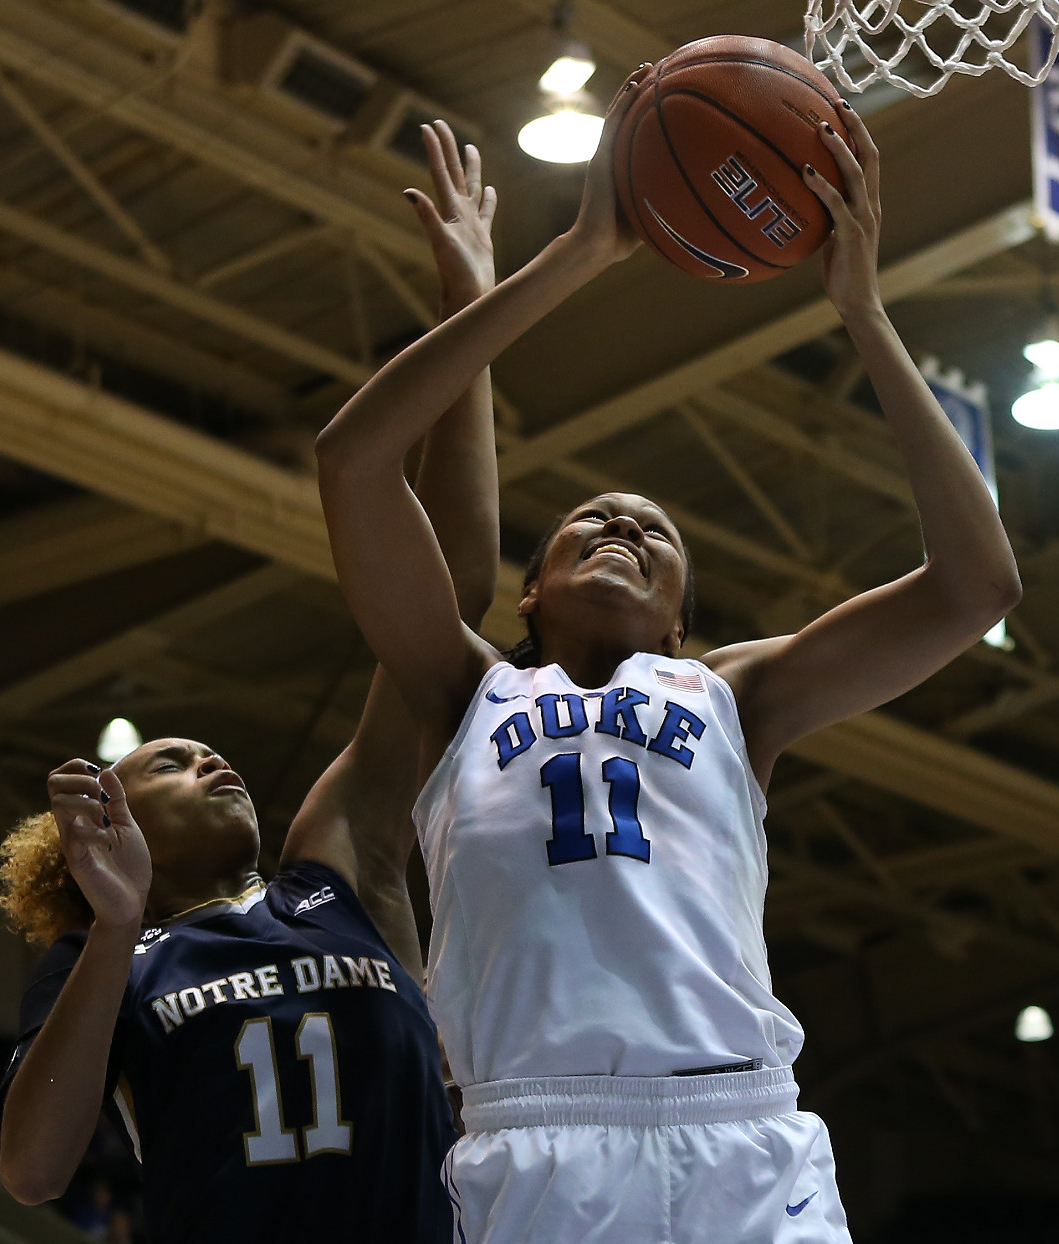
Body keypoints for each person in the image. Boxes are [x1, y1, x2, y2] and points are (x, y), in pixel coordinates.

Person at [315, 67, 1021, 1243]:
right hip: (528, 1133)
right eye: (591, 518)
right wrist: (580, 253)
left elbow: (976, 586)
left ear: (680, 621)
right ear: (529, 590)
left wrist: (864, 312)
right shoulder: (459, 689)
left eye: (658, 533)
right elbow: (353, 460)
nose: (627, 526)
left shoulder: (736, 692)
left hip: (741, 1127)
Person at [0, 121, 502, 1244]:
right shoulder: (101, 960)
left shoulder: (335, 867)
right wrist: (116, 924)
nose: (208, 754)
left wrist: (470, 322)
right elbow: (32, 1168)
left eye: (200, 746)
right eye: (167, 759)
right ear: (103, 840)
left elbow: (448, 589)